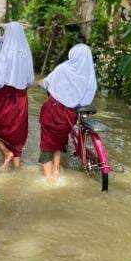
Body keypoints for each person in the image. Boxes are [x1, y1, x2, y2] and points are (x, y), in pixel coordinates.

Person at [38, 44, 97, 180]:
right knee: (60, 139)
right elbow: (85, 100)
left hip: (53, 111)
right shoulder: (89, 77)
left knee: (46, 144)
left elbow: (46, 82)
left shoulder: (62, 69)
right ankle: (56, 170)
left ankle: (48, 179)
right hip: (70, 116)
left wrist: (40, 83)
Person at [0, 22, 34, 170]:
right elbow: (31, 80)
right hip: (21, 97)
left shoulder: (5, 52)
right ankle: (17, 171)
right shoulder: (26, 53)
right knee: (17, 137)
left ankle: (6, 153)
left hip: (4, 96)